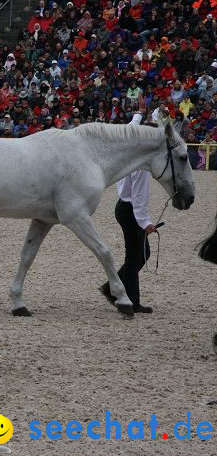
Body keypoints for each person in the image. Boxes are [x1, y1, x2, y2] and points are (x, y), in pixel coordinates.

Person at [100, 94, 155, 313]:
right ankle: (130, 299)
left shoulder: (128, 148)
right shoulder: (141, 165)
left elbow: (132, 127)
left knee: (140, 255)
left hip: (122, 207)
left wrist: (139, 113)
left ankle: (110, 287)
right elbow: (139, 199)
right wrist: (146, 223)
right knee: (135, 257)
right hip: (131, 210)